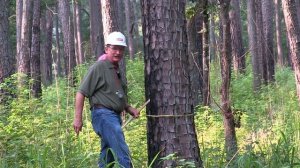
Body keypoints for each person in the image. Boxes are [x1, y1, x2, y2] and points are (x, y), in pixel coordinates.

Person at [73, 31, 140, 168]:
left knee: (107, 157)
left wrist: (128, 108)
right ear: (106, 48)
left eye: (121, 49)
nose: (118, 52)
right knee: (122, 153)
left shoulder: (115, 69)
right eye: (114, 48)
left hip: (113, 117)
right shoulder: (99, 66)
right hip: (103, 116)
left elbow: (114, 95)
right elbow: (81, 92)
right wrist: (77, 118)